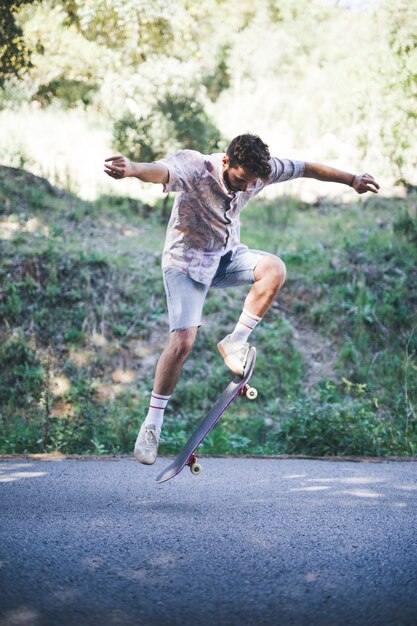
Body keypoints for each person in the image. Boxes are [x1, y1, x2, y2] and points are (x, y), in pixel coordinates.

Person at [104, 133, 380, 465]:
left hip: (225, 257)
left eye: (252, 183)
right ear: (226, 162)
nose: (245, 188)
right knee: (183, 342)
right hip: (185, 263)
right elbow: (160, 171)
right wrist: (132, 168)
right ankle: (152, 424)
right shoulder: (196, 167)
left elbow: (306, 168)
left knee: (274, 268)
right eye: (239, 180)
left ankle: (235, 341)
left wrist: (351, 179)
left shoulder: (260, 172)